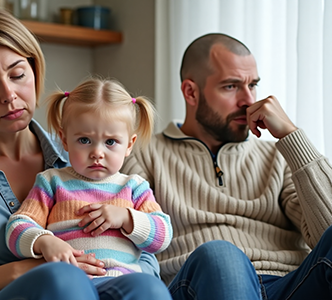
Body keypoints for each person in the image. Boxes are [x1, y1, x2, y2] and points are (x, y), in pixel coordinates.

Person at [0, 5, 165, 300]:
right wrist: (30, 268)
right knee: (62, 281)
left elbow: (144, 253)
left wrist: (119, 272)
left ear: (35, 71)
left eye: (18, 75)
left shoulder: (85, 152)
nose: (9, 95)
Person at [121, 32, 332, 300]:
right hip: (202, 284)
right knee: (221, 254)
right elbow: (123, 240)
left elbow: (327, 232)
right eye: (231, 86)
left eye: (252, 85)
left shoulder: (279, 156)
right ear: (191, 92)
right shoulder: (144, 153)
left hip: (288, 286)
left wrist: (292, 137)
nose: (248, 100)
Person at [5, 78, 173, 284]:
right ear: (64, 140)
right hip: (73, 281)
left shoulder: (134, 187)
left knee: (147, 288)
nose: (97, 153)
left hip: (124, 281)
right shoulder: (52, 182)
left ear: (129, 145)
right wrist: (45, 241)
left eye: (110, 142)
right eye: (84, 140)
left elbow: (163, 236)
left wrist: (127, 218)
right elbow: (16, 227)